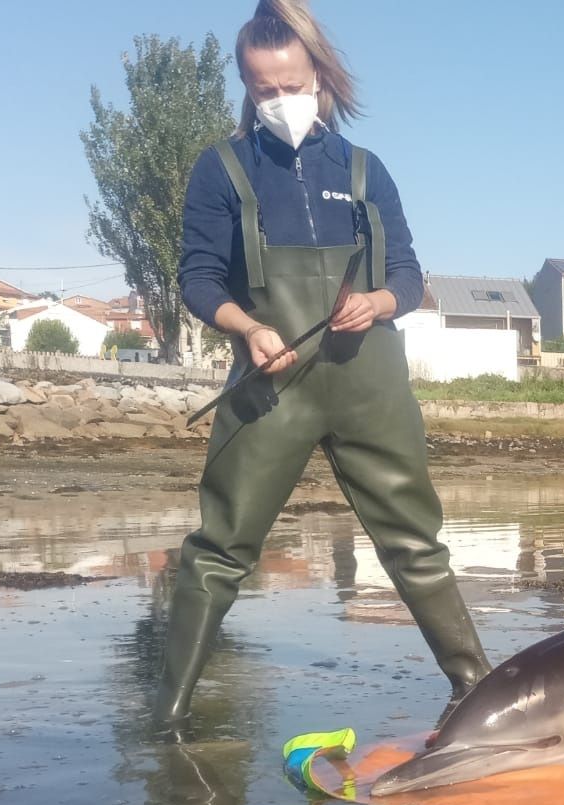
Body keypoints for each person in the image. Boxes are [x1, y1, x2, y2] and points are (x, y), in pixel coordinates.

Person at [153, 0, 489, 733]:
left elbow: (406, 272)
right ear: (248, 86)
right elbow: (199, 278)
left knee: (413, 540)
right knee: (220, 548)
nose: (279, 101)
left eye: (291, 84)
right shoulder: (223, 169)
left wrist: (378, 301)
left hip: (368, 380)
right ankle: (169, 714)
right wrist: (245, 327)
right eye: (263, 89)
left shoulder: (366, 171)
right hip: (269, 382)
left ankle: (477, 688)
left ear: (321, 77)